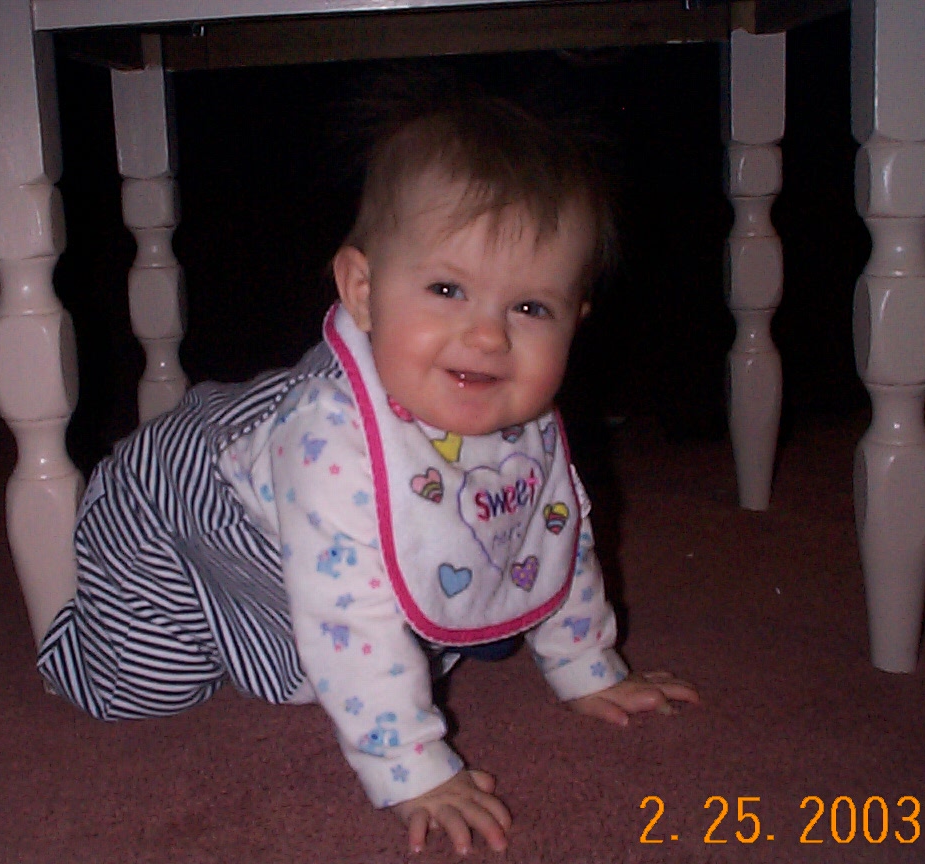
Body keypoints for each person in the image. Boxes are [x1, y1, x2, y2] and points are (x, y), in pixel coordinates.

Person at [38, 86, 699, 856]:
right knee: (150, 686)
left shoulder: (523, 422)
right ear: (363, 291)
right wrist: (411, 768)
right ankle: (74, 638)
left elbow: (550, 534)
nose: (488, 336)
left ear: (575, 321)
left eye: (530, 308)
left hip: (292, 541)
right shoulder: (330, 442)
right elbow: (349, 617)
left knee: (378, 627)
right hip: (164, 511)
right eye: (447, 289)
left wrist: (591, 666)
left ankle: (272, 625)